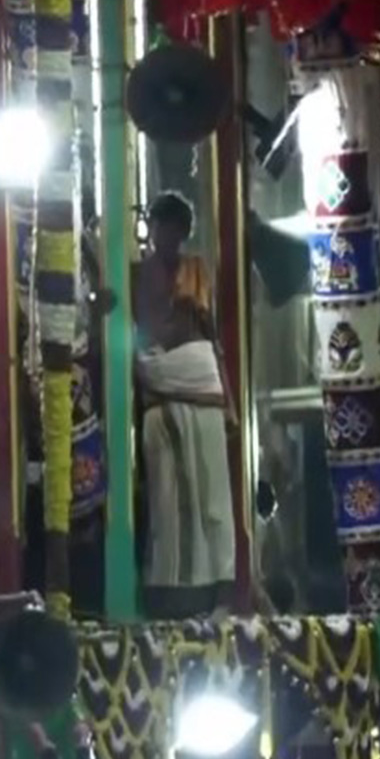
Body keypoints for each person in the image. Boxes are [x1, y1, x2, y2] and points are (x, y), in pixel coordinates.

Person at [131, 191, 235, 616]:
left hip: (200, 375)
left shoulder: (195, 270)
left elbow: (210, 336)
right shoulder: (135, 272)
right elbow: (137, 330)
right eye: (161, 226)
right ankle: (168, 593)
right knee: (168, 499)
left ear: (184, 232)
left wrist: (226, 397)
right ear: (152, 228)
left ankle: (219, 589)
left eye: (176, 229)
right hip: (159, 375)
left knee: (211, 493)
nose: (168, 236)